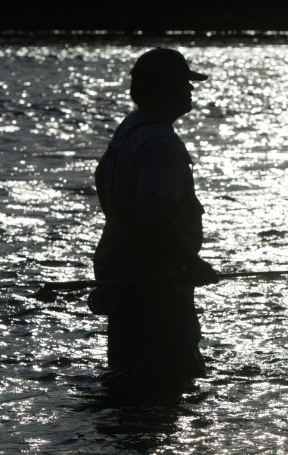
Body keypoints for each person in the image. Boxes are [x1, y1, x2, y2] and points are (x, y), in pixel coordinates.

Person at [92, 47, 219, 386]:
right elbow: (153, 212)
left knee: (128, 365)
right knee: (172, 370)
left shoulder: (131, 128)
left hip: (119, 264)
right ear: (165, 89)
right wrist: (191, 263)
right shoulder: (161, 142)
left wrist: (119, 225)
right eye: (184, 83)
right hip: (154, 276)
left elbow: (101, 175)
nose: (190, 89)